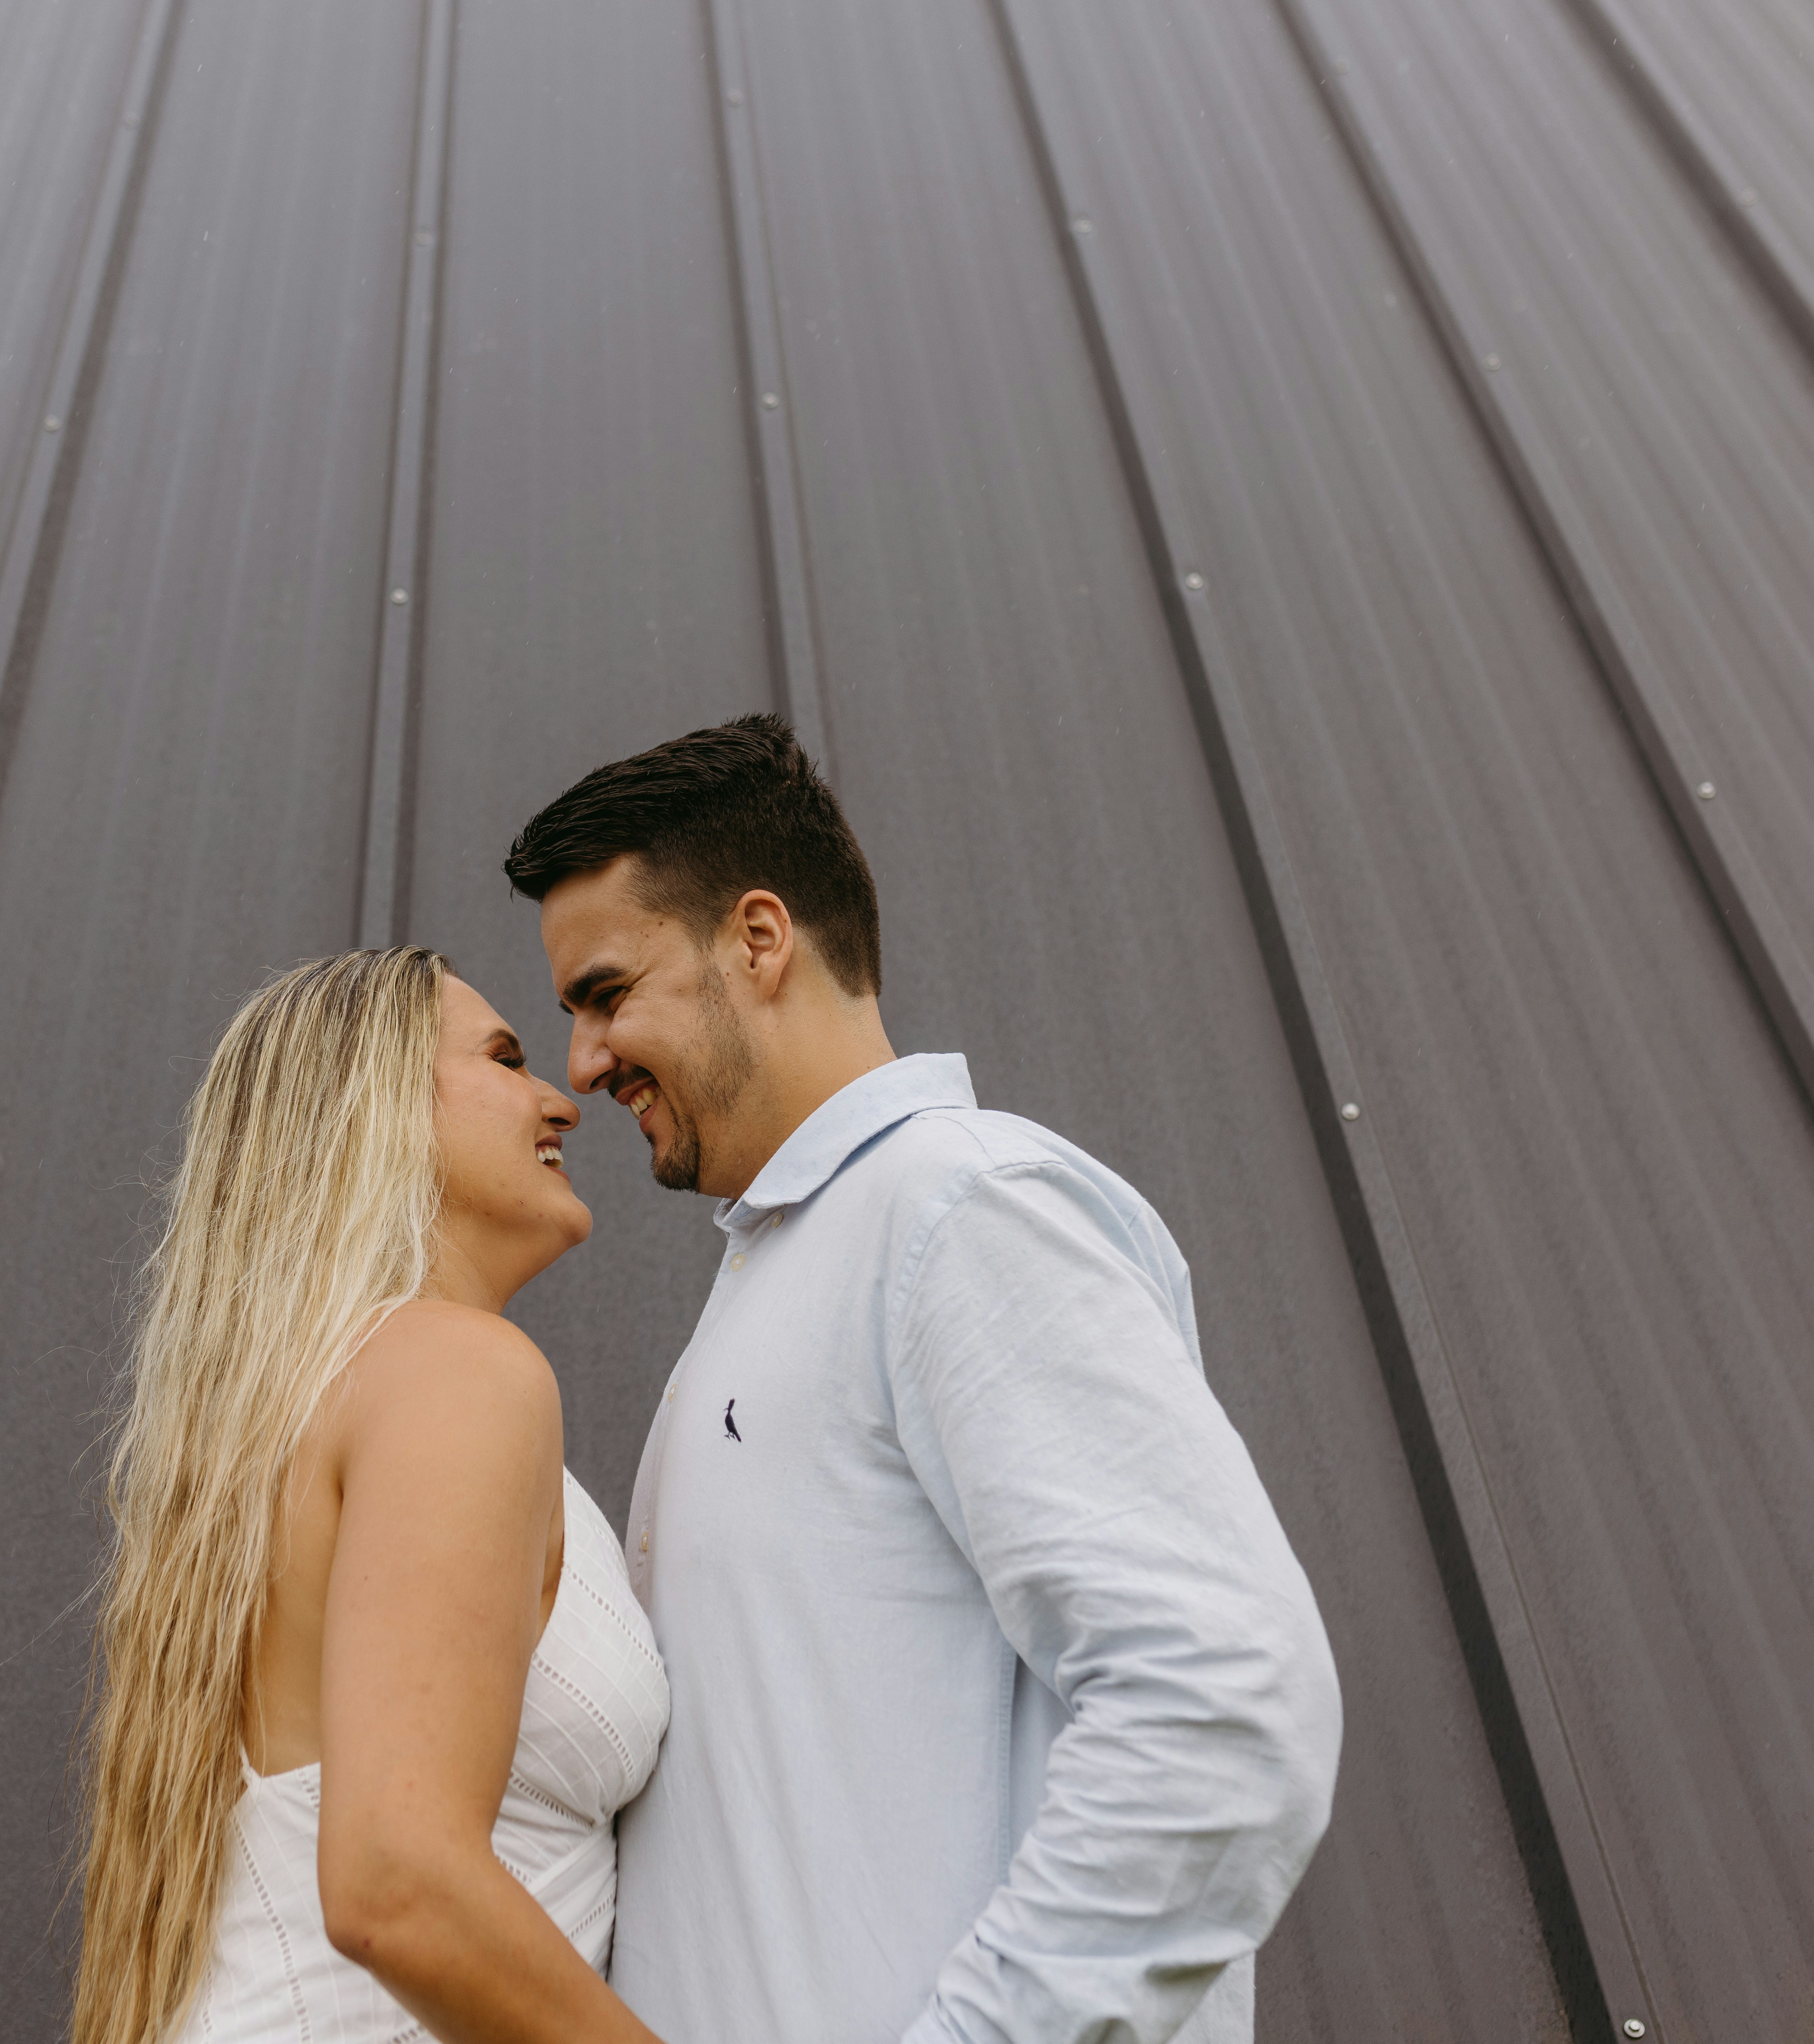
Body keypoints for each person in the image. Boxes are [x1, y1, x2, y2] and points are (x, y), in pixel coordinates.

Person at [504, 715, 1342, 2044]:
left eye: (606, 994)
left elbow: (1224, 1701)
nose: (583, 1065)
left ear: (760, 938)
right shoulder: (793, 1268)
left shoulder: (960, 1211)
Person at [71, 948, 670, 2044]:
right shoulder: (459, 1374)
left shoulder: (313, 1408)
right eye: (505, 1057)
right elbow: (398, 1884)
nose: (561, 1099)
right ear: (375, 1109)